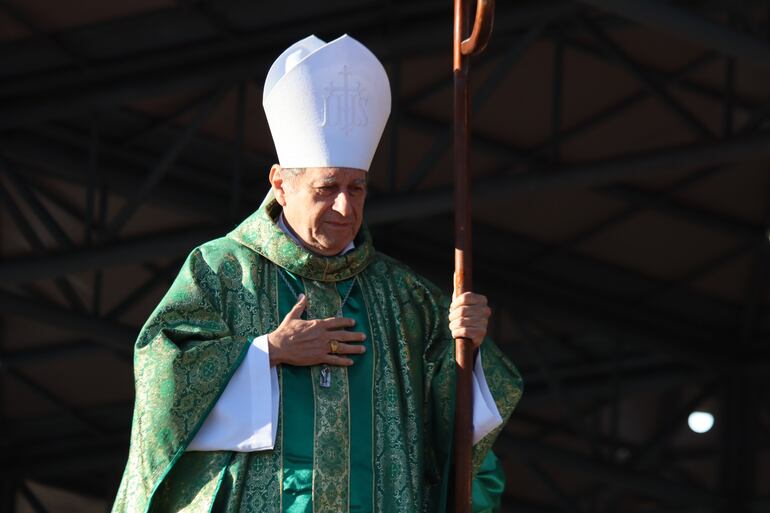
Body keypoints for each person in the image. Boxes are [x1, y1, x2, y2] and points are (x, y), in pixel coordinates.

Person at [112, 34, 523, 513]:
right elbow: (163, 380)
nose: (345, 207)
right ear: (281, 184)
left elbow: (458, 435)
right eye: (327, 187)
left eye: (358, 187)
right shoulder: (223, 270)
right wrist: (265, 353)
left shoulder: (405, 297)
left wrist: (468, 349)